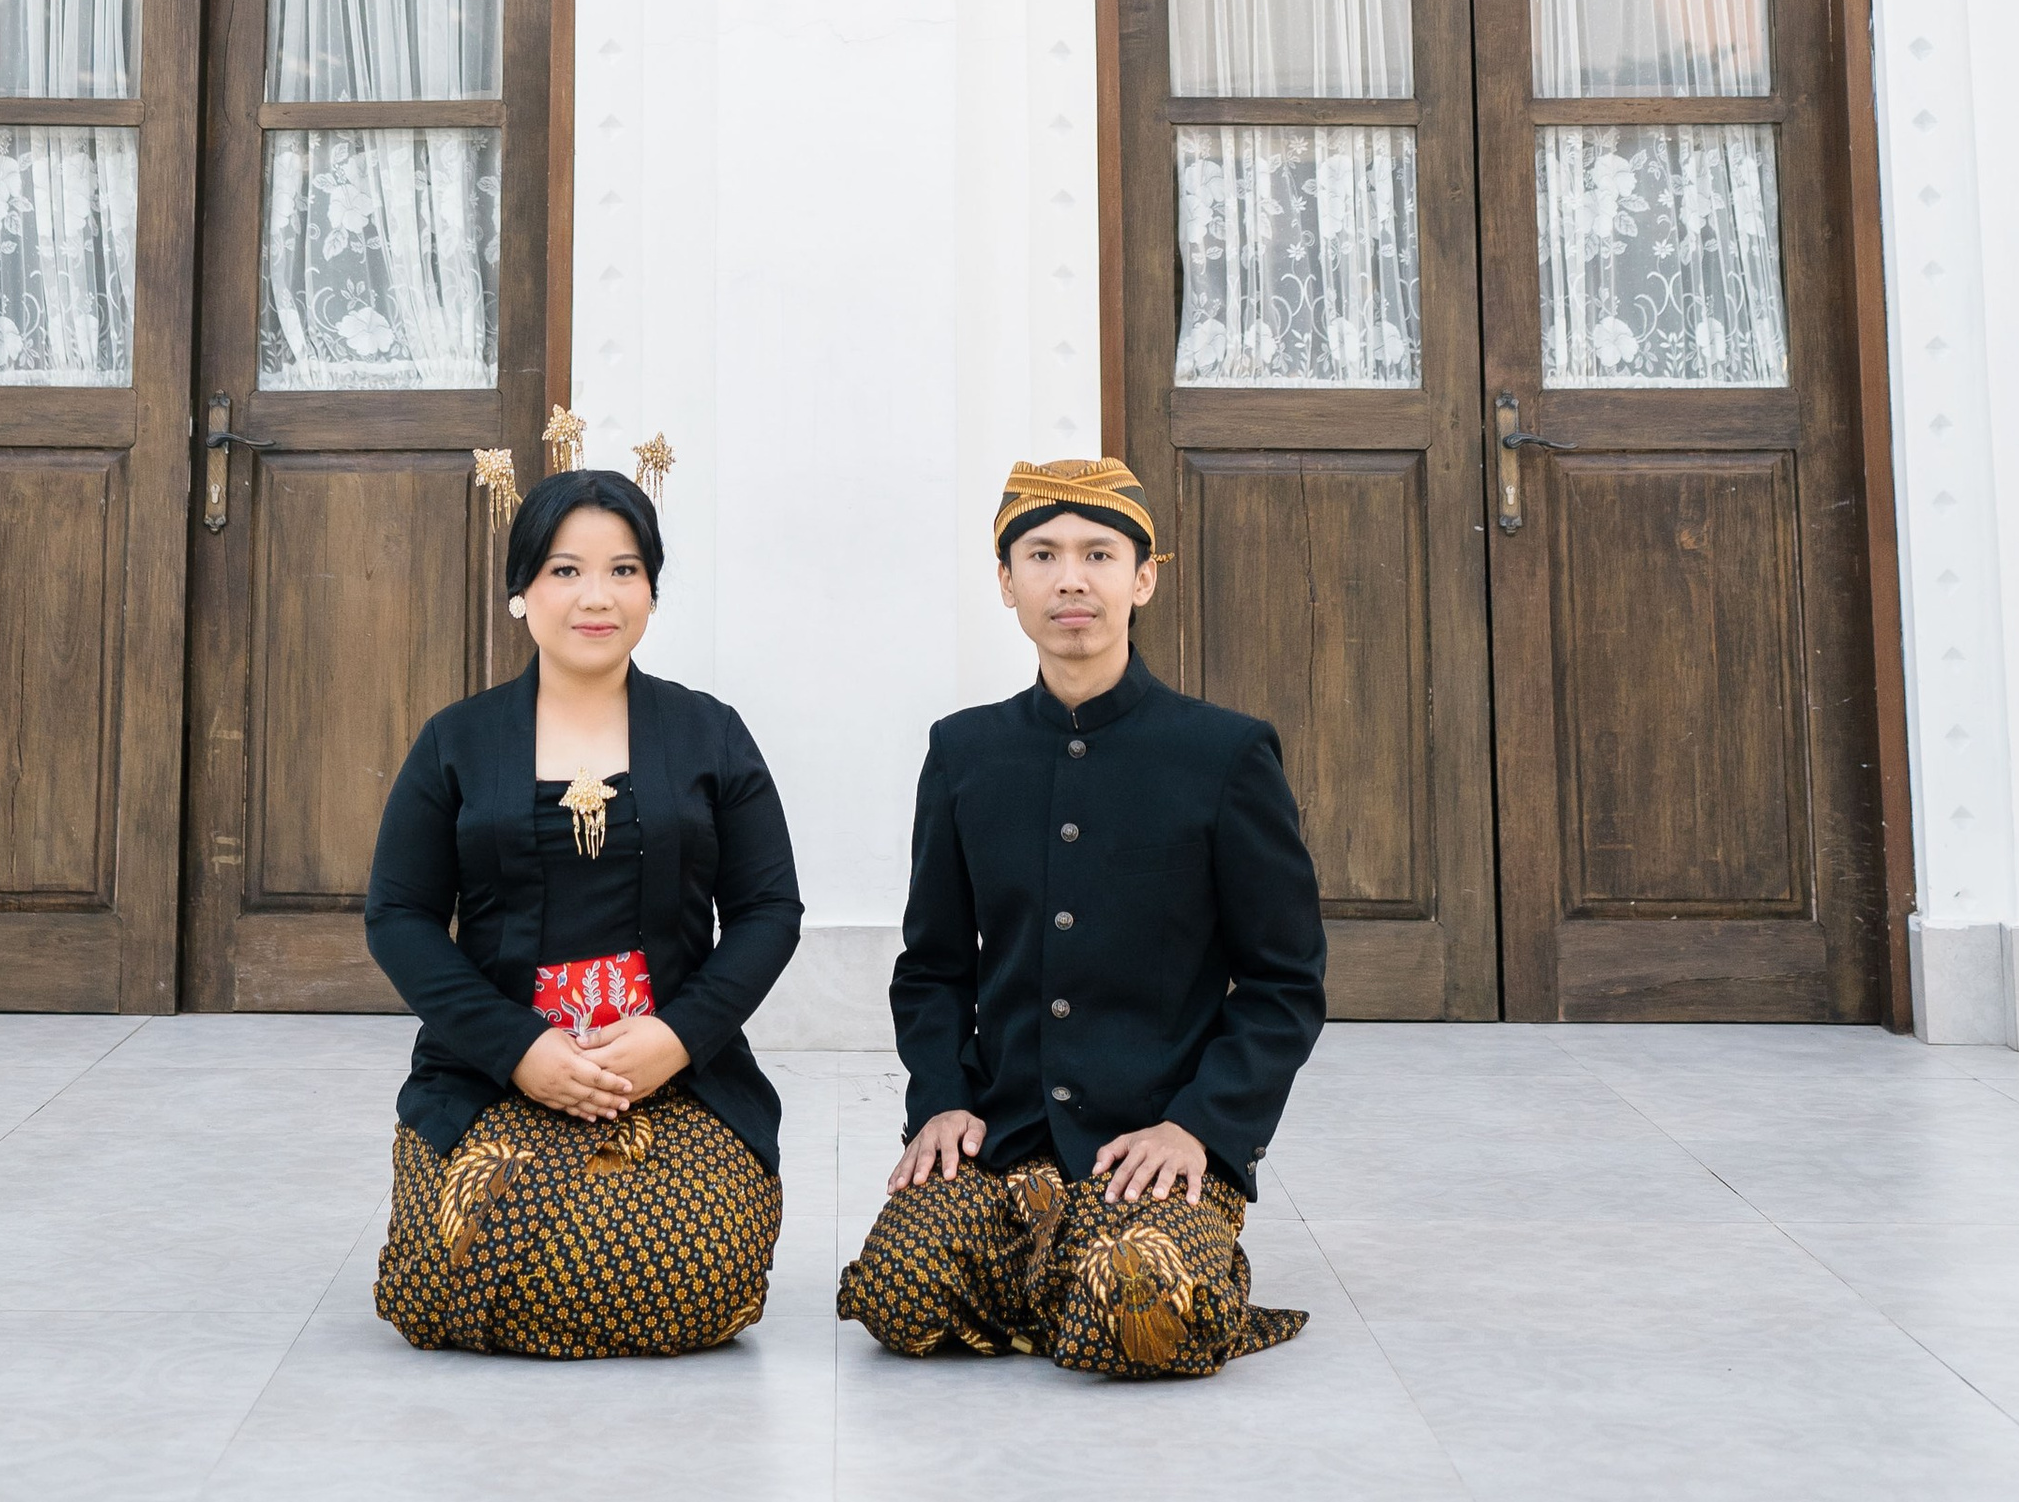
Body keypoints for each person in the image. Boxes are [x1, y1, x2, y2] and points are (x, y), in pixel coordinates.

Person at [837, 453, 1326, 1382]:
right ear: (1006, 584)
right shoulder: (963, 753)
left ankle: (1151, 1261)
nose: (1071, 578)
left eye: (1100, 555)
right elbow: (934, 966)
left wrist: (1201, 1129)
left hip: (1155, 1142)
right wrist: (940, 1098)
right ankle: (1065, 1267)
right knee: (897, 1296)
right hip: (1006, 1135)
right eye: (1042, 555)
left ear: (1142, 579)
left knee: (1140, 1313)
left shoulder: (1223, 754)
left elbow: (1282, 984)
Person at [366, 465, 803, 1359]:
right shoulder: (457, 740)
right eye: (565, 571)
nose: (595, 597)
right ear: (521, 591)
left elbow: (768, 909)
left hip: (676, 1076)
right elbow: (399, 914)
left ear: (650, 589)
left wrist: (676, 1039)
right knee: (459, 1259)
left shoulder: (708, 732)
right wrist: (518, 1050)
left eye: (624, 570)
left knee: (696, 1263)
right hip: (493, 1073)